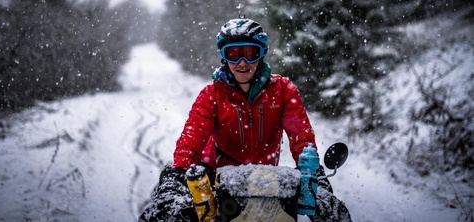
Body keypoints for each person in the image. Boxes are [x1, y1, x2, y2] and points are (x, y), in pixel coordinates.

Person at [139, 18, 351, 222]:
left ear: (261, 55)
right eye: (234, 54)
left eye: (250, 53)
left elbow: (301, 138)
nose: (242, 62)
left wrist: (314, 173)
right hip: (215, 184)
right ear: (224, 57)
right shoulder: (211, 95)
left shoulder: (284, 91)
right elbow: (191, 140)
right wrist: (178, 173)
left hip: (270, 186)